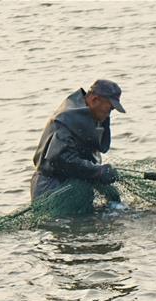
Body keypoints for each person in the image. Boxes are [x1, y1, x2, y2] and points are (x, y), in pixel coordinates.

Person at [31, 80, 125, 210]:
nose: (109, 113)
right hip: (52, 185)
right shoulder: (67, 119)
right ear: (94, 100)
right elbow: (61, 159)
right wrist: (97, 171)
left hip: (76, 181)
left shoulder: (91, 116)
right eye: (109, 108)